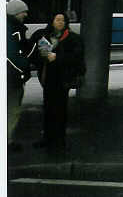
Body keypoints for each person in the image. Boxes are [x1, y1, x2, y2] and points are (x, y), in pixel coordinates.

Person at [30, 12, 85, 156]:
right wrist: (42, 57)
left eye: (63, 20)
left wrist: (57, 57)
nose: (60, 22)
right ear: (52, 21)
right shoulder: (44, 36)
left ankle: (60, 140)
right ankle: (48, 138)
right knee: (48, 107)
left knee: (60, 109)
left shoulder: (73, 38)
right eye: (57, 19)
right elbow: (34, 54)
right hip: (47, 78)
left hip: (63, 79)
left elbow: (77, 57)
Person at [7, 0, 34, 153]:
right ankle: (7, 142)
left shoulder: (11, 27)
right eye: (23, 11)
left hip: (10, 77)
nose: (26, 14)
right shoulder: (14, 29)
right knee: (12, 109)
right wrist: (24, 67)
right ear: (16, 12)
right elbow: (13, 55)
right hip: (12, 78)